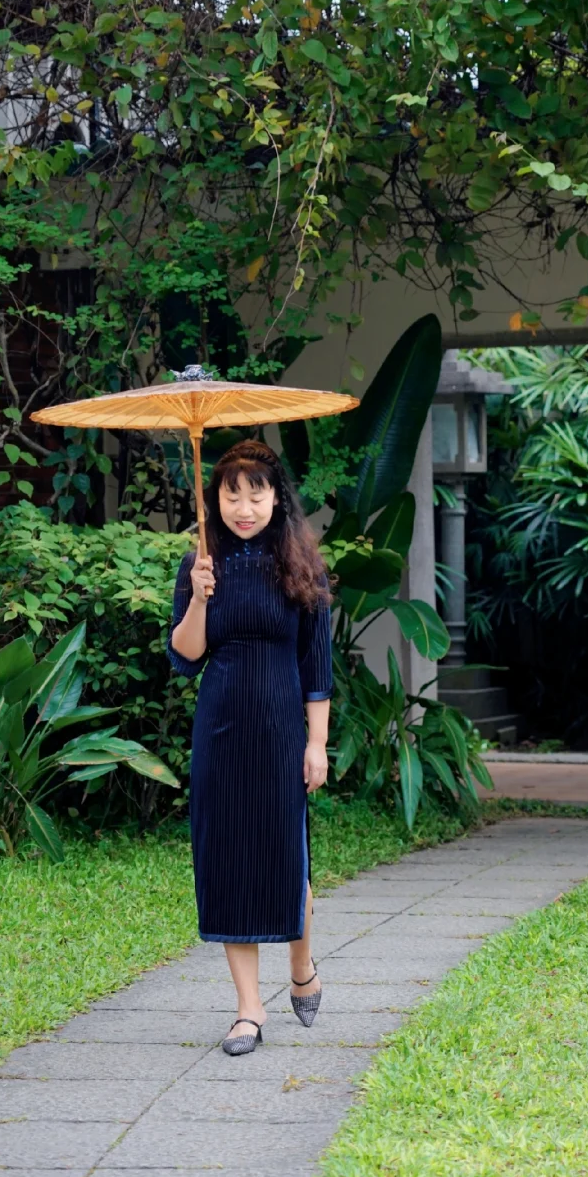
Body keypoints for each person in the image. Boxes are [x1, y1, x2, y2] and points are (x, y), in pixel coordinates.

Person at [167, 438, 332, 1056]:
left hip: (282, 728)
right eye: (231, 494)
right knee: (229, 860)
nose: (243, 507)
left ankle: (301, 965)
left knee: (289, 858)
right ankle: (248, 1010)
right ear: (215, 498)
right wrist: (199, 598)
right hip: (221, 730)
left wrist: (317, 743)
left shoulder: (301, 566)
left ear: (276, 498)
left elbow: (316, 665)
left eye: (255, 494)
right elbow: (186, 656)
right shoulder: (200, 566)